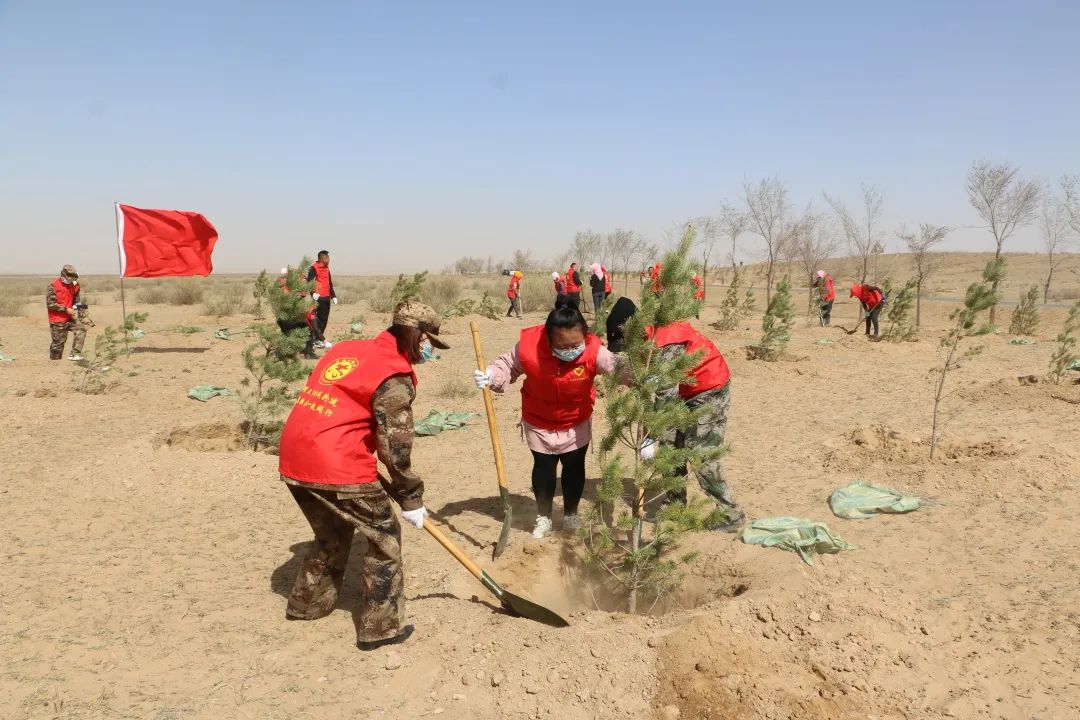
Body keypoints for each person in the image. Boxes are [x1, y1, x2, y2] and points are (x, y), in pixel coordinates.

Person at [277, 301, 449, 650]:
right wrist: (411, 497)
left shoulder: (347, 349)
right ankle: (381, 628)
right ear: (416, 334)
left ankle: (307, 604)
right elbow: (395, 449)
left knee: (333, 533)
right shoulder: (394, 376)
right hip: (337, 461)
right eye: (429, 340)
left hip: (295, 453)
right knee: (384, 536)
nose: (429, 350)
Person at [473, 303, 618, 538]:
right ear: (548, 338)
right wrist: (492, 375)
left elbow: (617, 367)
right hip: (539, 420)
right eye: (562, 345)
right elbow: (507, 365)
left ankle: (571, 514)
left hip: (575, 420)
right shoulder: (529, 347)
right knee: (544, 469)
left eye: (575, 344)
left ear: (584, 334)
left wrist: (641, 375)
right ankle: (544, 517)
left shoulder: (594, 350)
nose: (571, 350)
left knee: (574, 467)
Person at [643, 319, 742, 531]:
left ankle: (730, 514)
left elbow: (666, 395)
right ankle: (675, 505)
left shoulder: (666, 340)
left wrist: (650, 435)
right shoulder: (650, 335)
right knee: (671, 446)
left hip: (709, 389)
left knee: (701, 453)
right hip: (685, 391)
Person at [45, 265, 88, 361]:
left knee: (81, 329)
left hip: (70, 318)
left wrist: (82, 308)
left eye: (71, 277)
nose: (69, 280)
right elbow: (50, 304)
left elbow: (76, 302)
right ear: (62, 275)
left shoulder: (75, 285)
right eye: (68, 277)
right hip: (57, 320)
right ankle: (54, 364)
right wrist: (66, 309)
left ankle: (74, 354)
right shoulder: (53, 286)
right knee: (58, 344)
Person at [307, 251, 337, 346]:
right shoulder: (314, 268)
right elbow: (309, 282)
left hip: (327, 297)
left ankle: (318, 338)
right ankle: (316, 339)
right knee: (318, 319)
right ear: (321, 259)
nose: (328, 260)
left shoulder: (327, 269)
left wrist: (333, 296)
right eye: (326, 258)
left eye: (328, 258)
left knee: (324, 319)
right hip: (319, 297)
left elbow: (329, 283)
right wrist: (313, 293)